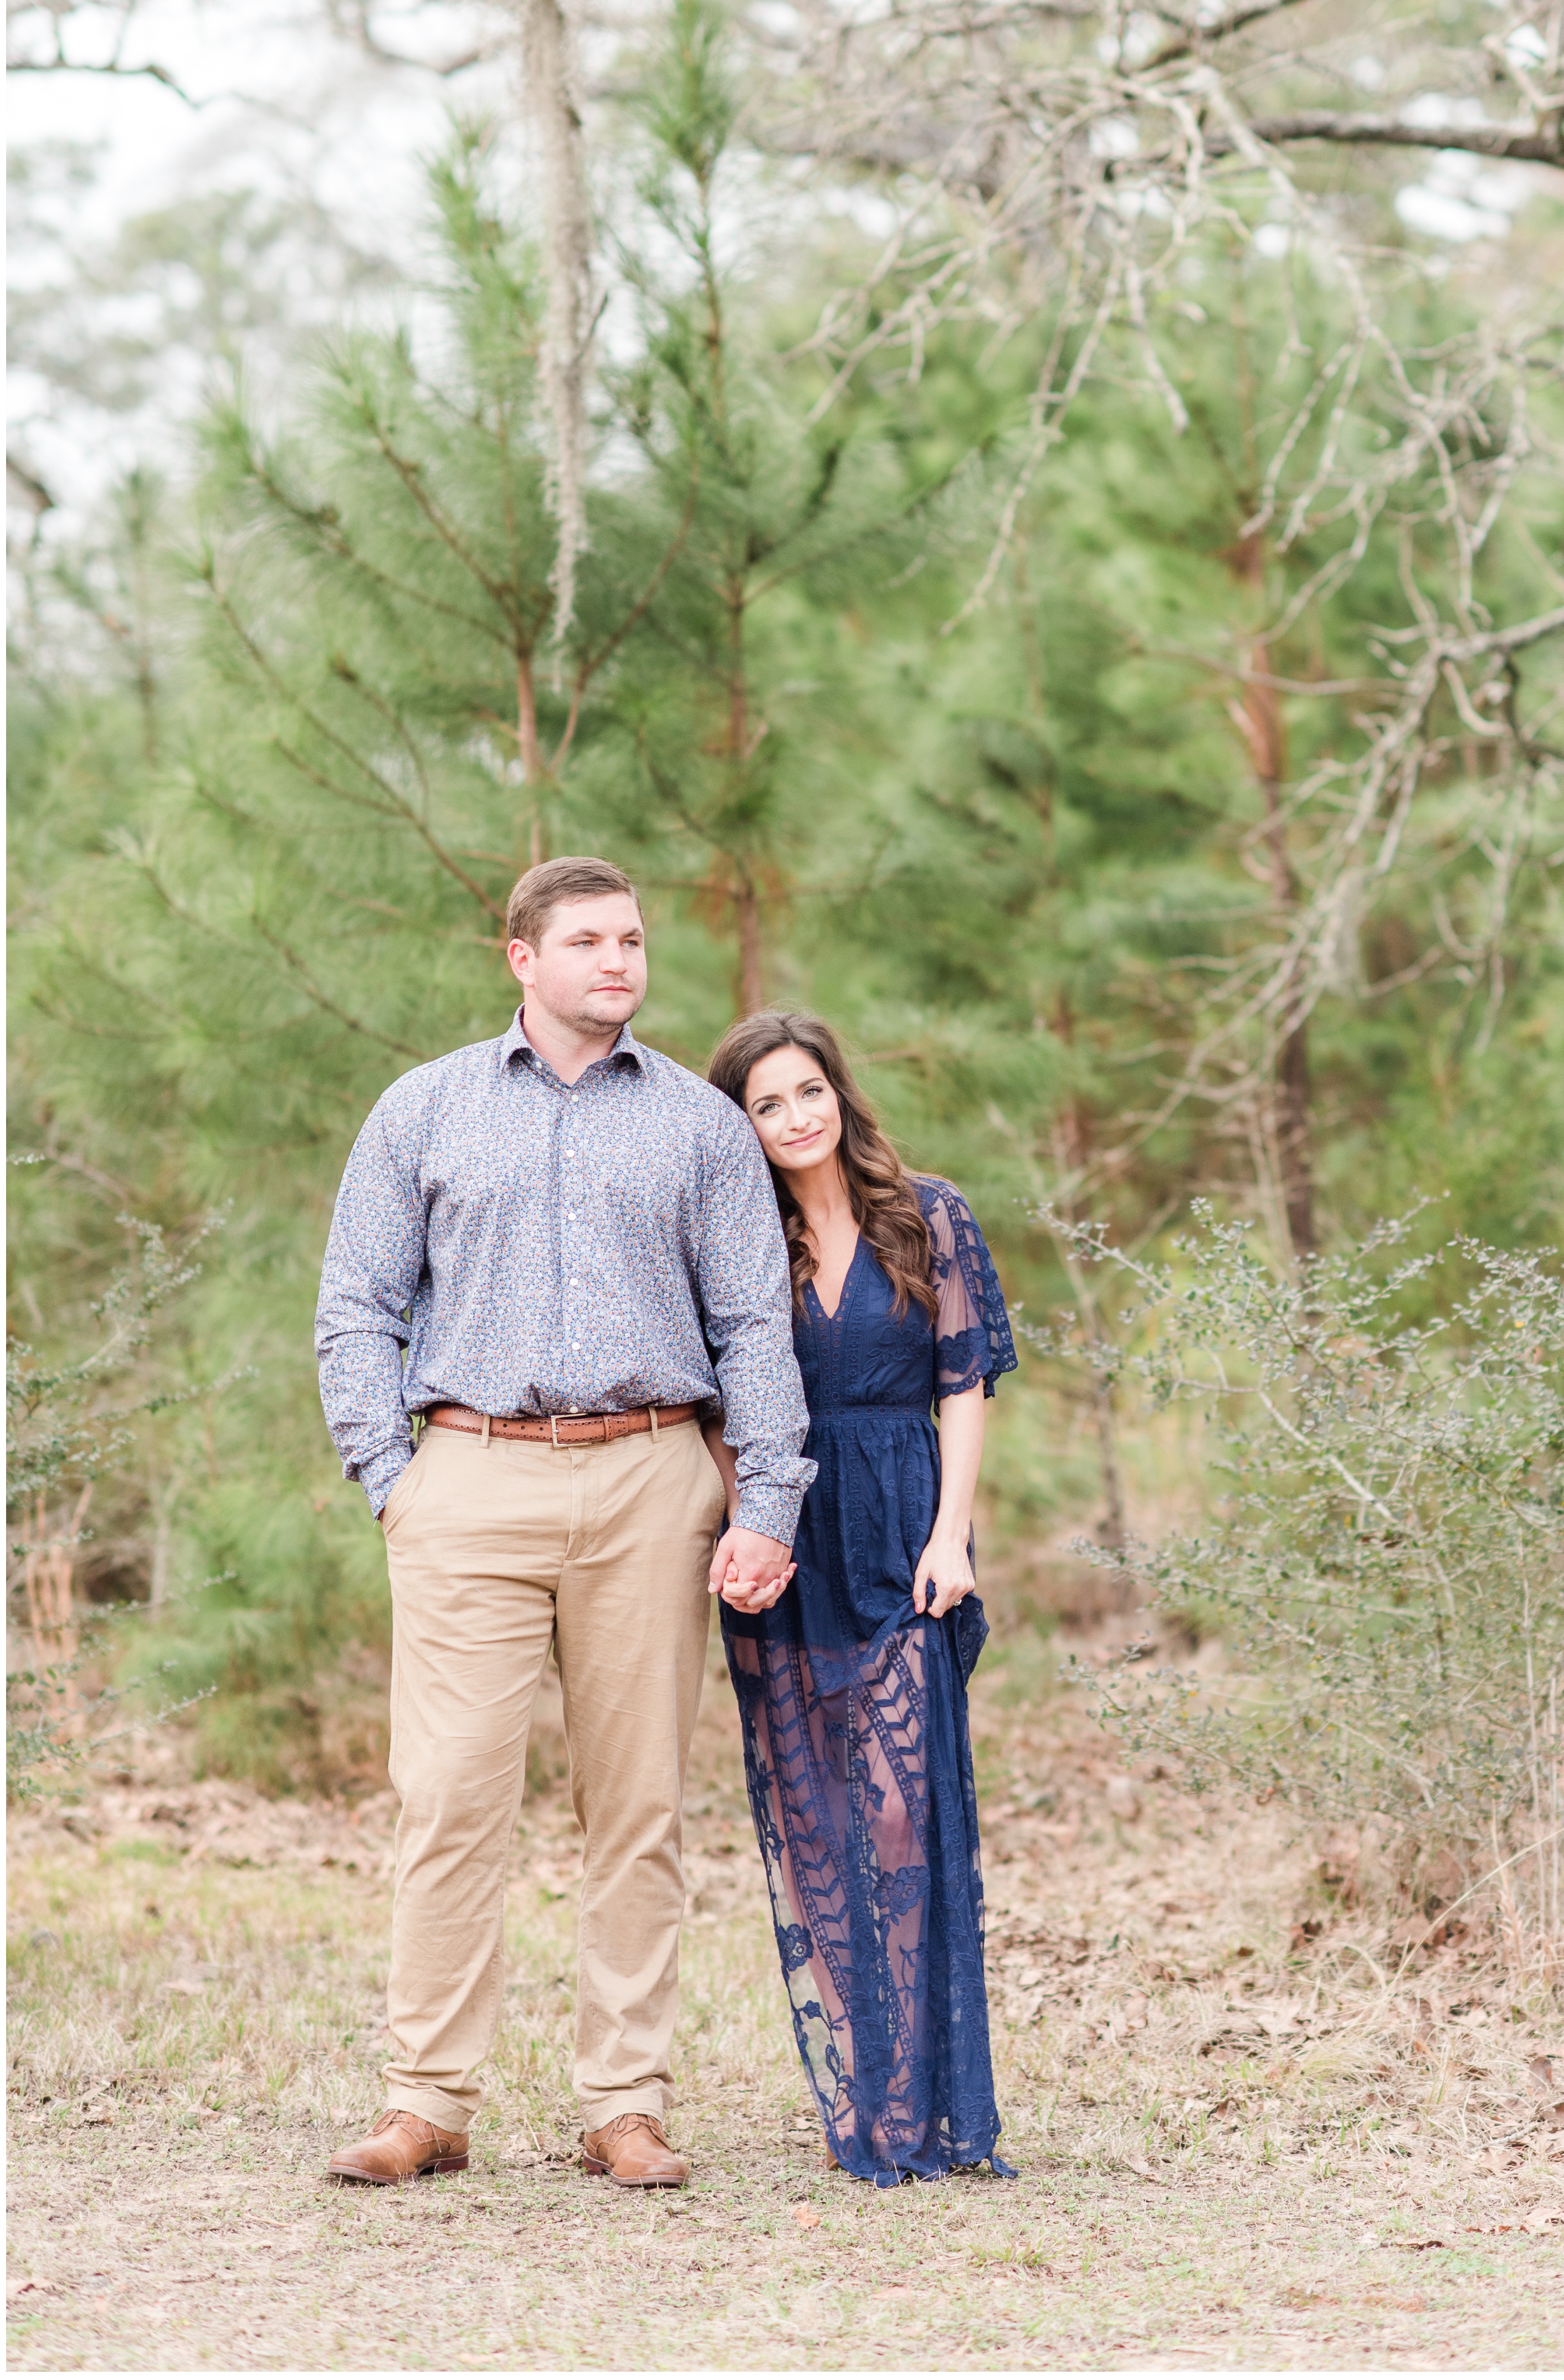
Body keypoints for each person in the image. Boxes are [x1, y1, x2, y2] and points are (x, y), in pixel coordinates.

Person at [314, 856, 809, 2191]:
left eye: (632, 939)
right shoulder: (424, 1110)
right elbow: (358, 1301)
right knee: (451, 1795)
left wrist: (765, 1498)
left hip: (652, 1477)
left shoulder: (701, 1126)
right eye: (586, 939)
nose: (617, 959)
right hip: (467, 1476)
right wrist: (392, 1478)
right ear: (519, 957)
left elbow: (755, 1323)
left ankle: (624, 2102)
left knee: (635, 1802)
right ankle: (425, 2100)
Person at [705, 1009, 1018, 2187]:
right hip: (788, 1539)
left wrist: (953, 1536)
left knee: (901, 1813)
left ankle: (925, 2093)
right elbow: (718, 1407)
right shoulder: (739, 1243)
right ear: (742, 1125)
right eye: (767, 1104)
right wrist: (747, 1529)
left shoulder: (926, 1213)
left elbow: (967, 1383)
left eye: (808, 1091)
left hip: (903, 1527)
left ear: (839, 1090)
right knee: (819, 1826)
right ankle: (868, 2099)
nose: (795, 1118)